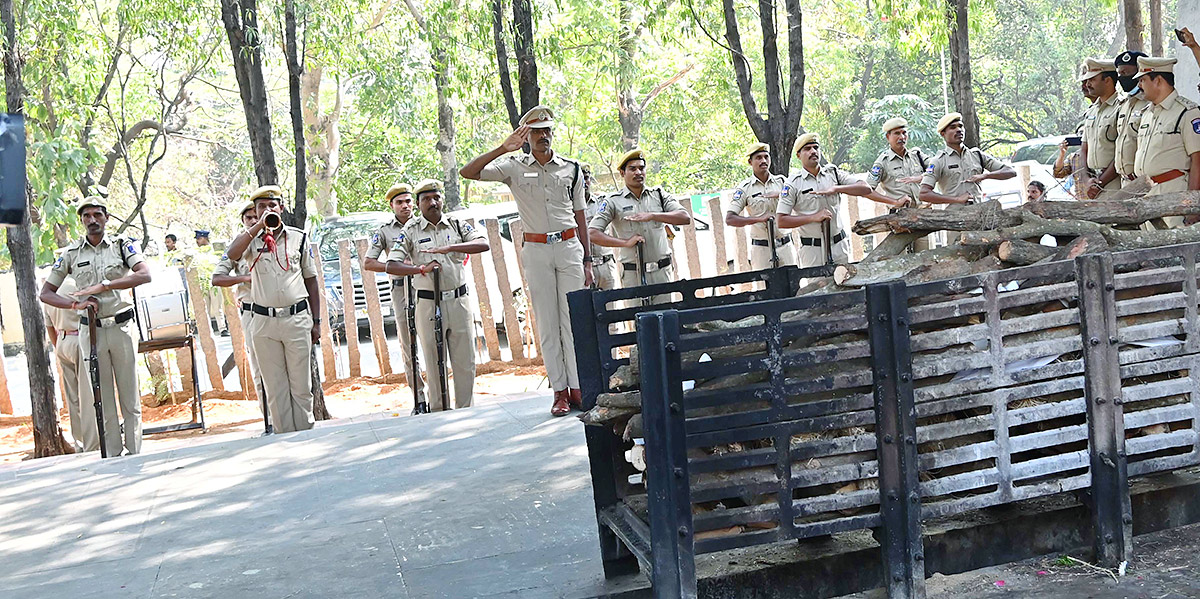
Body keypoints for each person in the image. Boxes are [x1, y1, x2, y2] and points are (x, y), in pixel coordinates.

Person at [459, 105, 591, 416]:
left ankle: (578, 387)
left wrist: (588, 259)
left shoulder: (571, 169)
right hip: (536, 249)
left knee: (572, 320)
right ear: (525, 136)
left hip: (570, 245)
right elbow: (469, 172)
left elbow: (581, 215)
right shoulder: (513, 167)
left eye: (547, 130)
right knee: (547, 323)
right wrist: (502, 148)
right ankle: (559, 391)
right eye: (537, 131)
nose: (544, 136)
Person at [39, 197, 153, 455]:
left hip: (121, 327)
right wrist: (73, 305)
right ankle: (112, 452)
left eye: (97, 215)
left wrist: (106, 285)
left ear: (106, 217)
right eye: (86, 216)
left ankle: (135, 451)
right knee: (103, 397)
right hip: (90, 330)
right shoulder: (71, 254)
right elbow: (46, 293)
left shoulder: (123, 246)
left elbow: (144, 274)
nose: (92, 220)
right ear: (81, 222)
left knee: (129, 393)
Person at [225, 185, 323, 433]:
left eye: (272, 205)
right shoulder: (249, 239)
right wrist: (257, 227)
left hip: (296, 318)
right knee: (276, 389)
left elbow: (311, 279)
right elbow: (232, 253)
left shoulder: (298, 237)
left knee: (301, 387)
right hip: (264, 323)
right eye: (261, 207)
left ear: (281, 208)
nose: (267, 210)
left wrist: (317, 321)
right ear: (255, 212)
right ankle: (285, 443)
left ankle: (305, 438)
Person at [386, 179, 489, 412]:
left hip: (459, 301)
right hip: (428, 302)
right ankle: (439, 411)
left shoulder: (456, 224)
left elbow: (483, 243)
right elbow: (391, 265)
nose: (433, 203)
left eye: (436, 198)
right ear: (419, 204)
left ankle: (466, 411)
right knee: (434, 363)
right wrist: (419, 269)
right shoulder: (410, 230)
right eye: (426, 199)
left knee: (465, 362)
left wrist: (452, 248)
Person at [776, 133, 903, 267]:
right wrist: (814, 217)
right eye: (807, 149)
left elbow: (865, 188)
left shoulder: (833, 173)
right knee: (817, 287)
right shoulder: (793, 183)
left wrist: (837, 189)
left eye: (815, 147)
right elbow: (781, 220)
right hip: (813, 250)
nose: (813, 151)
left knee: (844, 283)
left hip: (839, 246)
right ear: (798, 155)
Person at [588, 149, 692, 302]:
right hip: (633, 275)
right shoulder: (612, 201)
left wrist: (653, 215)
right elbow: (593, 233)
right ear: (622, 173)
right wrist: (625, 243)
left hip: (661, 274)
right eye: (632, 169)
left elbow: (684, 217)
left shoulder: (659, 195)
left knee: (666, 319)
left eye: (641, 168)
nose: (638, 172)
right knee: (639, 321)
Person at [362, 183, 428, 411]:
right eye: (400, 202)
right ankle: (419, 398)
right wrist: (395, 266)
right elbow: (369, 262)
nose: (405, 206)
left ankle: (439, 395)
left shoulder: (423, 225)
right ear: (392, 206)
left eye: (409, 201)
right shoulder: (384, 231)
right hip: (402, 290)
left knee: (433, 339)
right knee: (409, 345)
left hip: (427, 286)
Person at [211, 201, 264, 423]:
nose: (254, 221)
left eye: (256, 216)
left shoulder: (277, 240)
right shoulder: (237, 247)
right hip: (253, 312)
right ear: (243, 221)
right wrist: (244, 278)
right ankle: (268, 417)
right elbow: (217, 278)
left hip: (282, 311)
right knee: (260, 368)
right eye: (249, 218)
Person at [1131, 56, 1200, 227]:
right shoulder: (1146, 113)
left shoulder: (1187, 112)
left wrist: (1192, 207)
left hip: (1172, 197)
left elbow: (1197, 162)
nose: (1139, 85)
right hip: (1145, 196)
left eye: (1143, 80)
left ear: (1158, 80)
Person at [725, 142, 796, 270]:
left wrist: (781, 195)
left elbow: (800, 202)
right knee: (765, 287)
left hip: (785, 246)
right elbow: (730, 219)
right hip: (762, 250)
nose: (763, 160)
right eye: (758, 158)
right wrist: (758, 219)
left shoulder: (782, 182)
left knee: (793, 287)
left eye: (766, 157)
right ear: (750, 162)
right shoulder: (745, 188)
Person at [865, 117, 933, 250]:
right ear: (887, 137)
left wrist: (921, 177)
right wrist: (893, 202)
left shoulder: (917, 155)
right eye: (897, 133)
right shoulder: (882, 162)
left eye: (904, 133)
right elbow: (867, 190)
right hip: (899, 219)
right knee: (900, 262)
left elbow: (936, 168)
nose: (902, 137)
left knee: (924, 259)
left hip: (922, 216)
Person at [920, 113, 1016, 206]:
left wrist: (985, 176)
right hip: (953, 217)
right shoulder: (938, 161)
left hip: (979, 214)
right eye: (953, 127)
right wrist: (957, 200)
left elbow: (1010, 171)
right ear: (943, 133)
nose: (958, 130)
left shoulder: (977, 155)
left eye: (960, 126)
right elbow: (924, 194)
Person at [43, 277, 83, 451]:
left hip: (62, 342)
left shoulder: (50, 293)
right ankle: (93, 442)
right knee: (89, 394)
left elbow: (49, 327)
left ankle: (80, 443)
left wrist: (59, 345)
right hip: (80, 339)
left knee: (73, 398)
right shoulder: (78, 285)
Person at [1079, 58, 1122, 198]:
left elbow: (1123, 152)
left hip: (1114, 183)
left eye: (1092, 79)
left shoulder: (1122, 108)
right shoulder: (1091, 111)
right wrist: (1086, 180)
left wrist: (1101, 182)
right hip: (1092, 183)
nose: (1088, 84)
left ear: (1108, 80)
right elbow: (1084, 149)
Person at [1111, 50, 1151, 189]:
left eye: (1127, 73)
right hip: (1124, 182)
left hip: (1143, 182)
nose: (1122, 77)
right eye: (1120, 74)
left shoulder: (1149, 103)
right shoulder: (1124, 105)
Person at [582, 164, 619, 291]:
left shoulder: (603, 202)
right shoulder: (567, 208)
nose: (584, 182)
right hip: (584, 268)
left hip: (606, 266)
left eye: (586, 178)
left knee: (611, 308)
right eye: (580, 178)